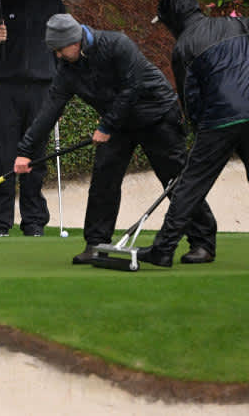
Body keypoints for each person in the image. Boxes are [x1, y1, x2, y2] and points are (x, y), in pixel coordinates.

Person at [13, 13, 218, 264]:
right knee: (103, 178)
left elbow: (132, 88)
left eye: (59, 49)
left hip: (156, 114)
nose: (57, 55)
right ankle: (96, 243)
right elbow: (50, 109)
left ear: (75, 41)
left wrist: (107, 125)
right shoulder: (68, 69)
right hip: (118, 122)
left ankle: (203, 242)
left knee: (175, 178)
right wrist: (26, 151)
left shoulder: (115, 45)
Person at [138, 0, 249, 269]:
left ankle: (163, 250)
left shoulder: (183, 48)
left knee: (191, 185)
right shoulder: (237, 24)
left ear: (174, 18)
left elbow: (190, 97)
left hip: (218, 120)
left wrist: (198, 125)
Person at [0, 0, 65, 237]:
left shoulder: (52, 2)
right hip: (7, 87)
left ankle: (34, 221)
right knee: (2, 155)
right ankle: (1, 222)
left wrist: (60, 88)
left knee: (35, 157)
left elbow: (63, 48)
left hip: (41, 88)